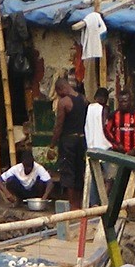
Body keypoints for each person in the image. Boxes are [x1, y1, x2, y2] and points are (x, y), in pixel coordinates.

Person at [52, 76, 86, 209]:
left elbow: (59, 126)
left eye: (58, 92)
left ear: (61, 89)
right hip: (82, 140)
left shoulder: (64, 102)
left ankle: (72, 206)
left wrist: (52, 145)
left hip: (68, 141)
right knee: (79, 171)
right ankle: (79, 205)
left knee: (68, 173)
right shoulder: (83, 99)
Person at [108, 89, 135, 156]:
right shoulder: (113, 116)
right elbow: (107, 131)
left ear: (130, 101)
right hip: (118, 153)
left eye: (125, 101)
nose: (123, 104)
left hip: (134, 154)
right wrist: (117, 145)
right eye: (121, 101)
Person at [84, 87, 111, 152]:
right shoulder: (105, 109)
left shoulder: (89, 107)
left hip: (90, 143)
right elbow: (104, 125)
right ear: (106, 99)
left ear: (95, 97)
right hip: (103, 144)